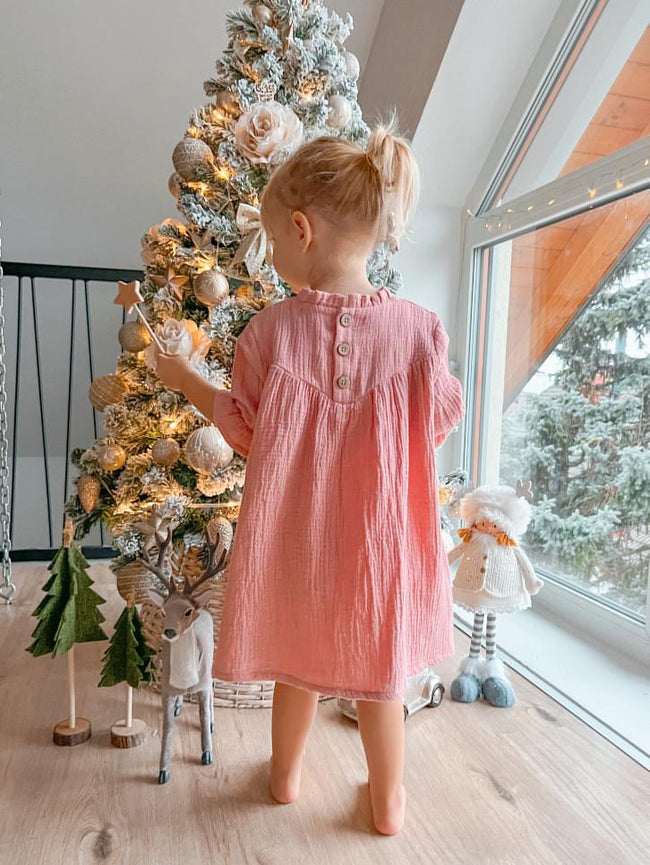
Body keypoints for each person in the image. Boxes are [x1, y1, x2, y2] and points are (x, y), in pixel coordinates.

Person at [155, 116, 465, 836]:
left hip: (297, 541)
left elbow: (238, 426)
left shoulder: (269, 332)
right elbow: (439, 420)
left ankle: (285, 777)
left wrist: (181, 375)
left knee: (295, 662)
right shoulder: (420, 331)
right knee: (381, 678)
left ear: (301, 229)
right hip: (379, 547)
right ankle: (387, 803)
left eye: (272, 242)